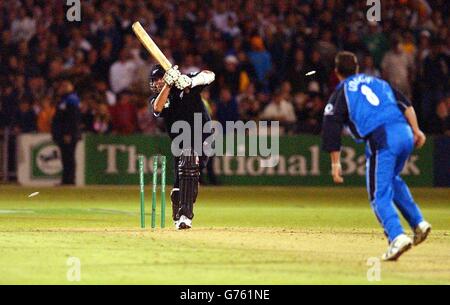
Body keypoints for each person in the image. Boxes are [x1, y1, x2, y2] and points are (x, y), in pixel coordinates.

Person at [321, 51, 431, 261]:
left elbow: (331, 126)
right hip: (404, 132)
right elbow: (406, 104)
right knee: (391, 180)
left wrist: (335, 163)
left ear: (337, 72)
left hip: (383, 137)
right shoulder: (378, 82)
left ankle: (397, 236)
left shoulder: (341, 91)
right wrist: (416, 130)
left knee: (378, 194)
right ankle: (418, 222)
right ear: (357, 69)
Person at [149, 64, 215, 230]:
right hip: (180, 143)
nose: (156, 83)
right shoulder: (160, 97)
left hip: (203, 136)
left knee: (190, 163)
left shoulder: (185, 83)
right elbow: (157, 108)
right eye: (154, 80)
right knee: (185, 178)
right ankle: (180, 205)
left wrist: (191, 82)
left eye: (159, 79)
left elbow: (210, 74)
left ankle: (185, 215)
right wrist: (167, 85)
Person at [51, 80, 81, 185]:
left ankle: (70, 180)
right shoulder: (64, 100)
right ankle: (66, 180)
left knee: (69, 157)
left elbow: (72, 118)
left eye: (64, 86)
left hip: (68, 134)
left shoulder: (71, 100)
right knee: (65, 157)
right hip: (63, 134)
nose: (61, 88)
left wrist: (68, 133)